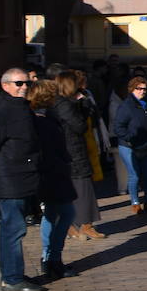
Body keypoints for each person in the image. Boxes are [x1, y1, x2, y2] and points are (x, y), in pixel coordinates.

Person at [0, 69, 46, 291]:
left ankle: (12, 275)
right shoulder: (1, 111)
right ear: (5, 85)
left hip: (20, 176)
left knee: (14, 228)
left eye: (27, 83)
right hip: (9, 179)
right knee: (13, 229)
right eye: (18, 83)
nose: (24, 87)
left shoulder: (18, 107)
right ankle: (12, 278)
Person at [28, 79, 78, 281]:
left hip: (54, 172)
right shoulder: (40, 120)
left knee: (53, 214)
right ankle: (52, 258)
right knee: (64, 213)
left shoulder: (44, 117)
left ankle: (49, 258)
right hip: (51, 174)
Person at [52, 71, 103, 241]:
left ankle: (74, 225)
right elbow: (79, 125)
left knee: (76, 189)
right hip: (72, 152)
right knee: (83, 189)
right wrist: (84, 104)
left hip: (71, 151)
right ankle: (84, 225)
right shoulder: (64, 104)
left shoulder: (63, 103)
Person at [112, 76, 147, 214]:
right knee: (135, 175)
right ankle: (135, 203)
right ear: (132, 89)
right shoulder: (126, 106)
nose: (142, 91)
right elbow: (118, 127)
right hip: (129, 146)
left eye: (145, 89)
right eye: (139, 88)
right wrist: (129, 138)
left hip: (146, 144)